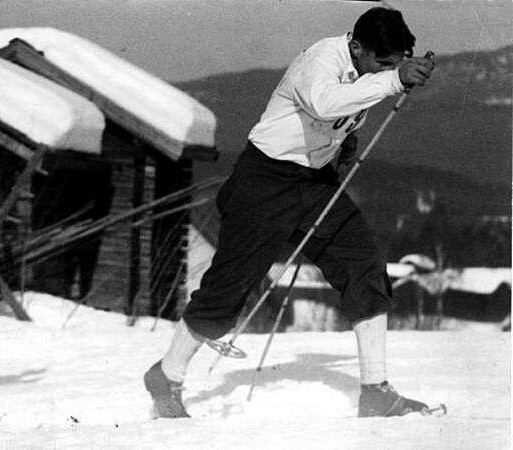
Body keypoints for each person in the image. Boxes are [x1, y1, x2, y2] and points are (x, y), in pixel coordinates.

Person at [144, 7, 436, 418]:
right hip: (264, 180)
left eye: (395, 63)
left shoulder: (370, 64)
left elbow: (343, 114)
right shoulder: (321, 59)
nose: (386, 71)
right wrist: (393, 79)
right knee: (228, 289)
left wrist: (344, 143)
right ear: (356, 47)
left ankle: (376, 391)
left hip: (315, 182)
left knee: (364, 264)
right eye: (381, 62)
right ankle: (166, 375)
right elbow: (323, 103)